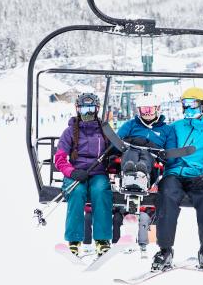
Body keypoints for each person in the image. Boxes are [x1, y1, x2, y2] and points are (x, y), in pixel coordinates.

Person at [152, 87, 203, 271]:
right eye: (185, 104)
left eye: (192, 104)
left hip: (198, 177)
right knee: (167, 195)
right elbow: (160, 143)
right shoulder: (175, 127)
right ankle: (165, 249)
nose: (188, 108)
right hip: (174, 174)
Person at [53, 92, 113, 257]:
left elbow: (116, 150)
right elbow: (59, 158)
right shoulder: (70, 132)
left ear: (97, 109)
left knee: (100, 191)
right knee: (77, 192)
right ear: (77, 109)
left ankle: (102, 240)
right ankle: (74, 240)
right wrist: (72, 172)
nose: (87, 112)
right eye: (83, 108)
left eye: (91, 108)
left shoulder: (105, 130)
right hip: (76, 173)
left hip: (98, 172)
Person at [112, 92, 174, 252]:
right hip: (130, 153)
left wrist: (166, 156)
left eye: (150, 109)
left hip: (152, 160)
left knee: (146, 156)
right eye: (143, 110)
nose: (146, 113)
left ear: (157, 109)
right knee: (131, 153)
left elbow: (170, 149)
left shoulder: (166, 130)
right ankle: (130, 173)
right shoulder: (131, 125)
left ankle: (140, 174)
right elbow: (117, 142)